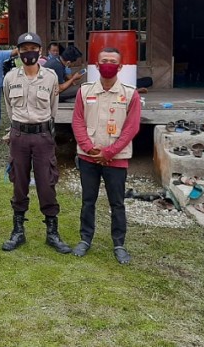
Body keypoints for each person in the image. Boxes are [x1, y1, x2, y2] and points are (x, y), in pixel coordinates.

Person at [1, 32, 71, 254]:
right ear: (19, 52)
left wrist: (44, 130)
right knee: (19, 183)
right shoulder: (10, 78)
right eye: (24, 48)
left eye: (33, 48)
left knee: (46, 182)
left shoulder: (50, 78)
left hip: (42, 137)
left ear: (40, 51)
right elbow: (9, 108)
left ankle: (52, 233)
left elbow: (53, 108)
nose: (28, 52)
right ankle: (18, 231)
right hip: (19, 136)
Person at [71, 47, 141, 264]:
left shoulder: (130, 94)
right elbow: (78, 121)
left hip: (116, 159)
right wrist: (89, 147)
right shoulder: (85, 91)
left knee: (117, 203)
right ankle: (85, 239)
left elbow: (132, 127)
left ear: (119, 67)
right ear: (97, 65)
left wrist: (109, 152)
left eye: (112, 61)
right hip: (87, 156)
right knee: (88, 200)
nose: (108, 64)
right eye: (104, 61)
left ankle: (119, 243)